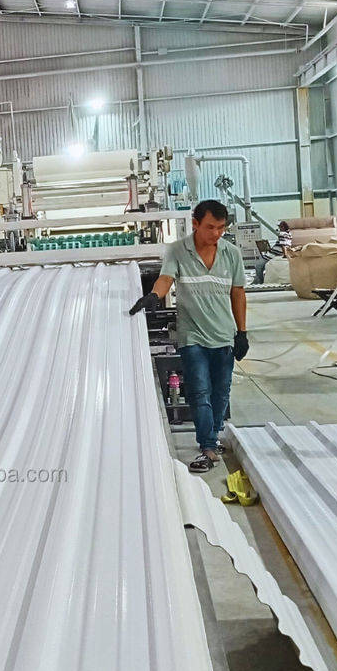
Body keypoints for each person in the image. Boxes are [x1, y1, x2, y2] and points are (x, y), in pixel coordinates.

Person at [130, 199, 247, 473]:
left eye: (221, 228)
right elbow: (166, 278)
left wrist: (242, 332)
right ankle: (208, 444)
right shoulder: (178, 251)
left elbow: (238, 293)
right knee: (199, 391)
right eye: (210, 227)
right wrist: (154, 295)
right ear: (195, 224)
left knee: (221, 392)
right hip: (192, 335)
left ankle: (212, 436)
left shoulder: (231, 253)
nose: (216, 233)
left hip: (224, 335)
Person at [253, 220, 292, 285]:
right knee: (261, 266)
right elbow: (287, 245)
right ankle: (257, 280)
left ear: (282, 227)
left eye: (279, 227)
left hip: (272, 255)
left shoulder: (282, 234)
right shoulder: (289, 234)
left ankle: (259, 282)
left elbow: (283, 245)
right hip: (275, 253)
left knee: (258, 266)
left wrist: (285, 255)